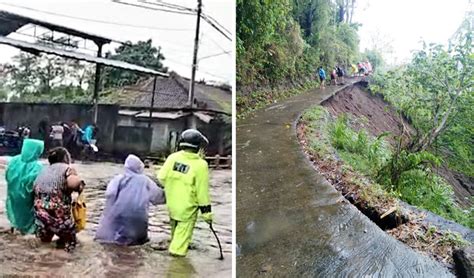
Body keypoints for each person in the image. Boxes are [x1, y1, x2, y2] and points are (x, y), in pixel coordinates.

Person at [157, 129, 213, 257]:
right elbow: (202, 192)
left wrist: (174, 186)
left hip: (172, 206)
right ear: (198, 147)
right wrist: (207, 214)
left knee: (175, 236)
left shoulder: (173, 158)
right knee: (178, 250)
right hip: (187, 210)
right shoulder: (200, 165)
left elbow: (161, 178)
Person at [95, 154, 165, 246]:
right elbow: (158, 197)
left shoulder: (119, 178)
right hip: (140, 219)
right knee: (137, 244)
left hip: (120, 216)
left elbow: (110, 194)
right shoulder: (146, 181)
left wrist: (110, 208)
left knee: (115, 244)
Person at [33, 147, 85, 252]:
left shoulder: (43, 170)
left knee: (43, 244)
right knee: (70, 244)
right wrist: (80, 185)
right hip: (58, 214)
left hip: (40, 213)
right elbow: (73, 183)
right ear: (65, 158)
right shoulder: (67, 169)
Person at [4, 139, 44, 234]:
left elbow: (7, 175)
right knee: (28, 217)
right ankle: (28, 232)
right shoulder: (37, 166)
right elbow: (37, 184)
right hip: (28, 198)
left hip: (13, 193)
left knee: (15, 213)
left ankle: (15, 228)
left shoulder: (14, 160)